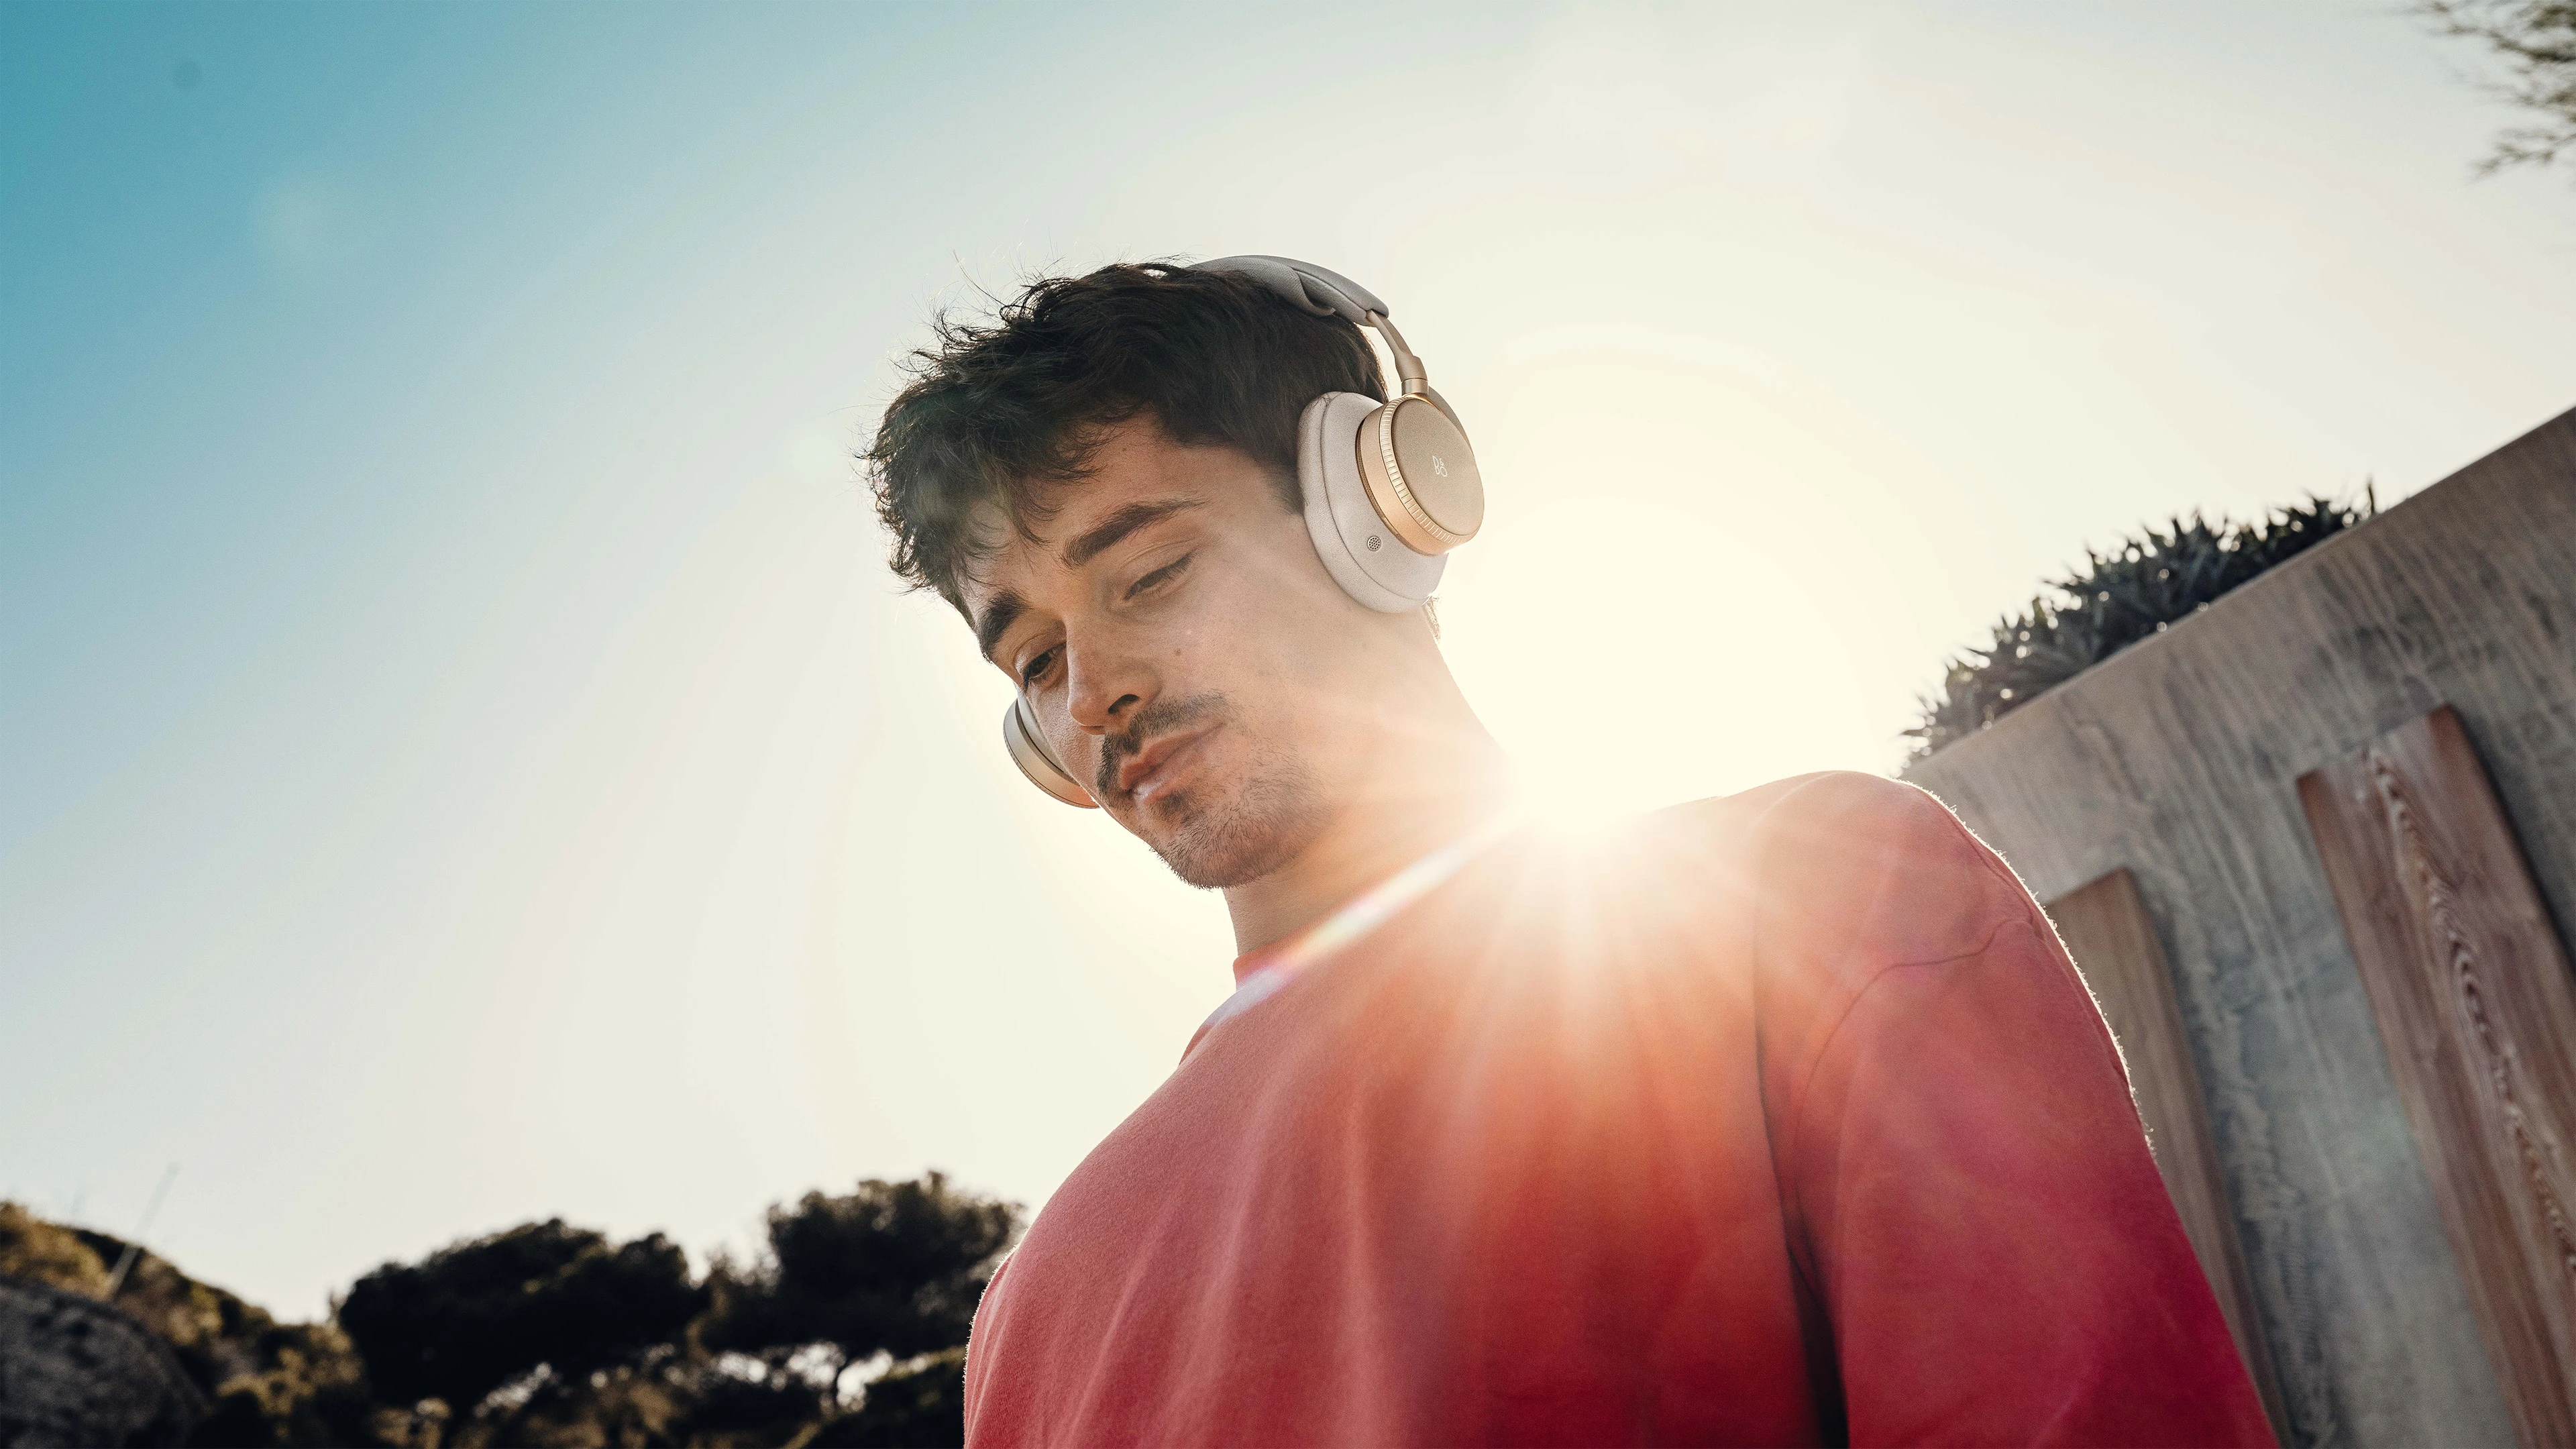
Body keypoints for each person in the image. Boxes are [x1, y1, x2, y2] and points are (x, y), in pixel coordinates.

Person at [864, 257, 2275, 1447]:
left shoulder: (1810, 902)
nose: (1092, 688)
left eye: (1151, 574)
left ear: (1382, 512)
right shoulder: (1035, 1305)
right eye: (1034, 657)